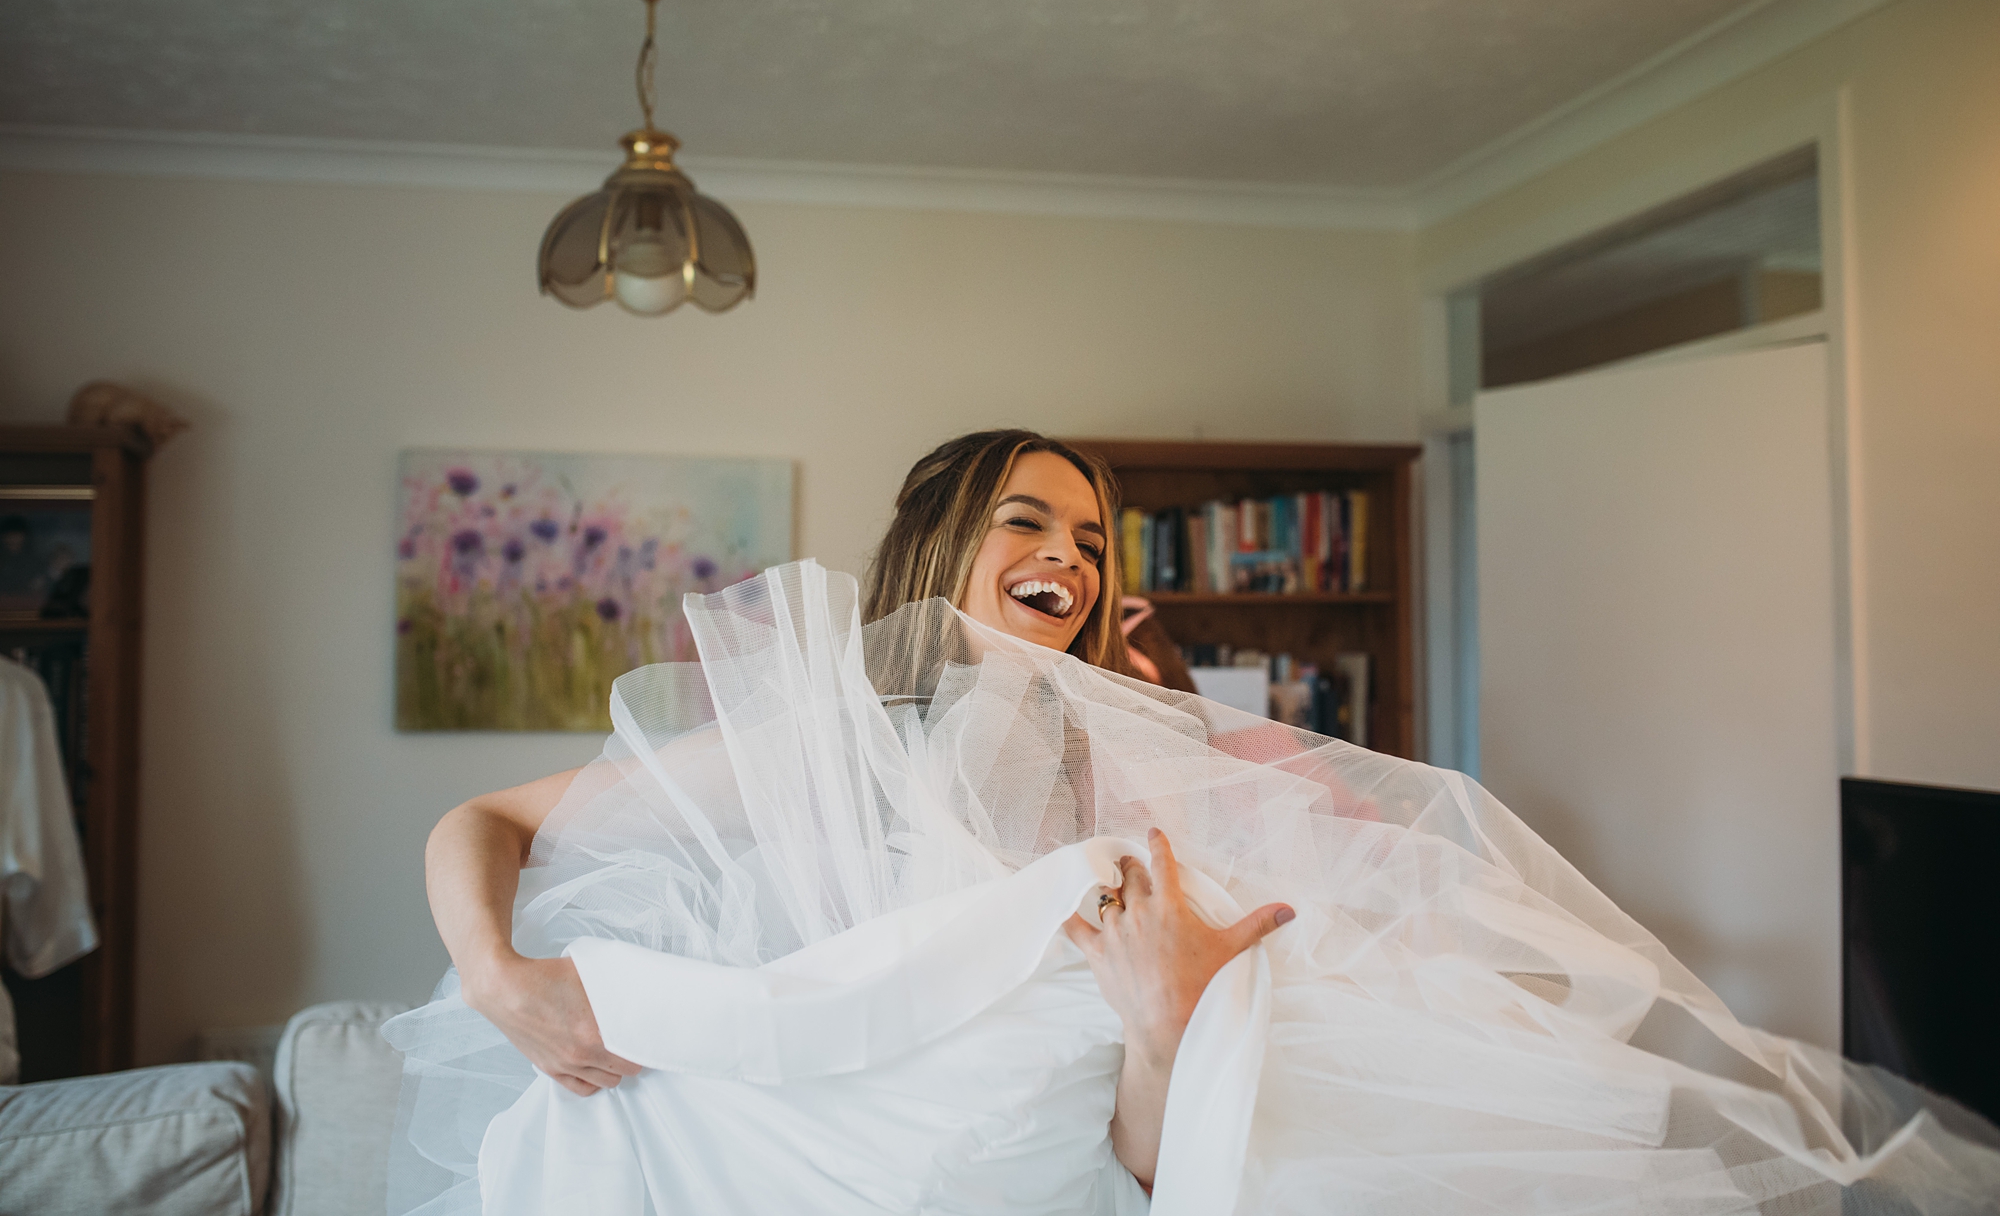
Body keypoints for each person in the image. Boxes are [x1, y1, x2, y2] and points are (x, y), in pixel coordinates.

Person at [392, 430, 2000, 1216]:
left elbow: (1137, 1156)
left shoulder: (1121, 788)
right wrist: (497, 977)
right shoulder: (826, 739)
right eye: (1028, 521)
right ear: (944, 542)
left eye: (1091, 536)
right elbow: (481, 820)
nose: (1070, 555)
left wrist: (1164, 1025)